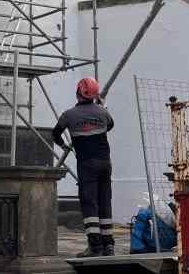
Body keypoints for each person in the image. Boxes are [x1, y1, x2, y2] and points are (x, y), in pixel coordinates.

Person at [52, 77, 115, 258]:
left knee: (89, 203)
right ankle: (108, 246)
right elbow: (110, 125)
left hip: (87, 165)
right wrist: (101, 107)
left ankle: (95, 247)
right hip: (105, 163)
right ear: (95, 95)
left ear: (78, 92)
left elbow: (55, 134)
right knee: (104, 202)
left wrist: (64, 145)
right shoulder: (103, 113)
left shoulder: (69, 115)